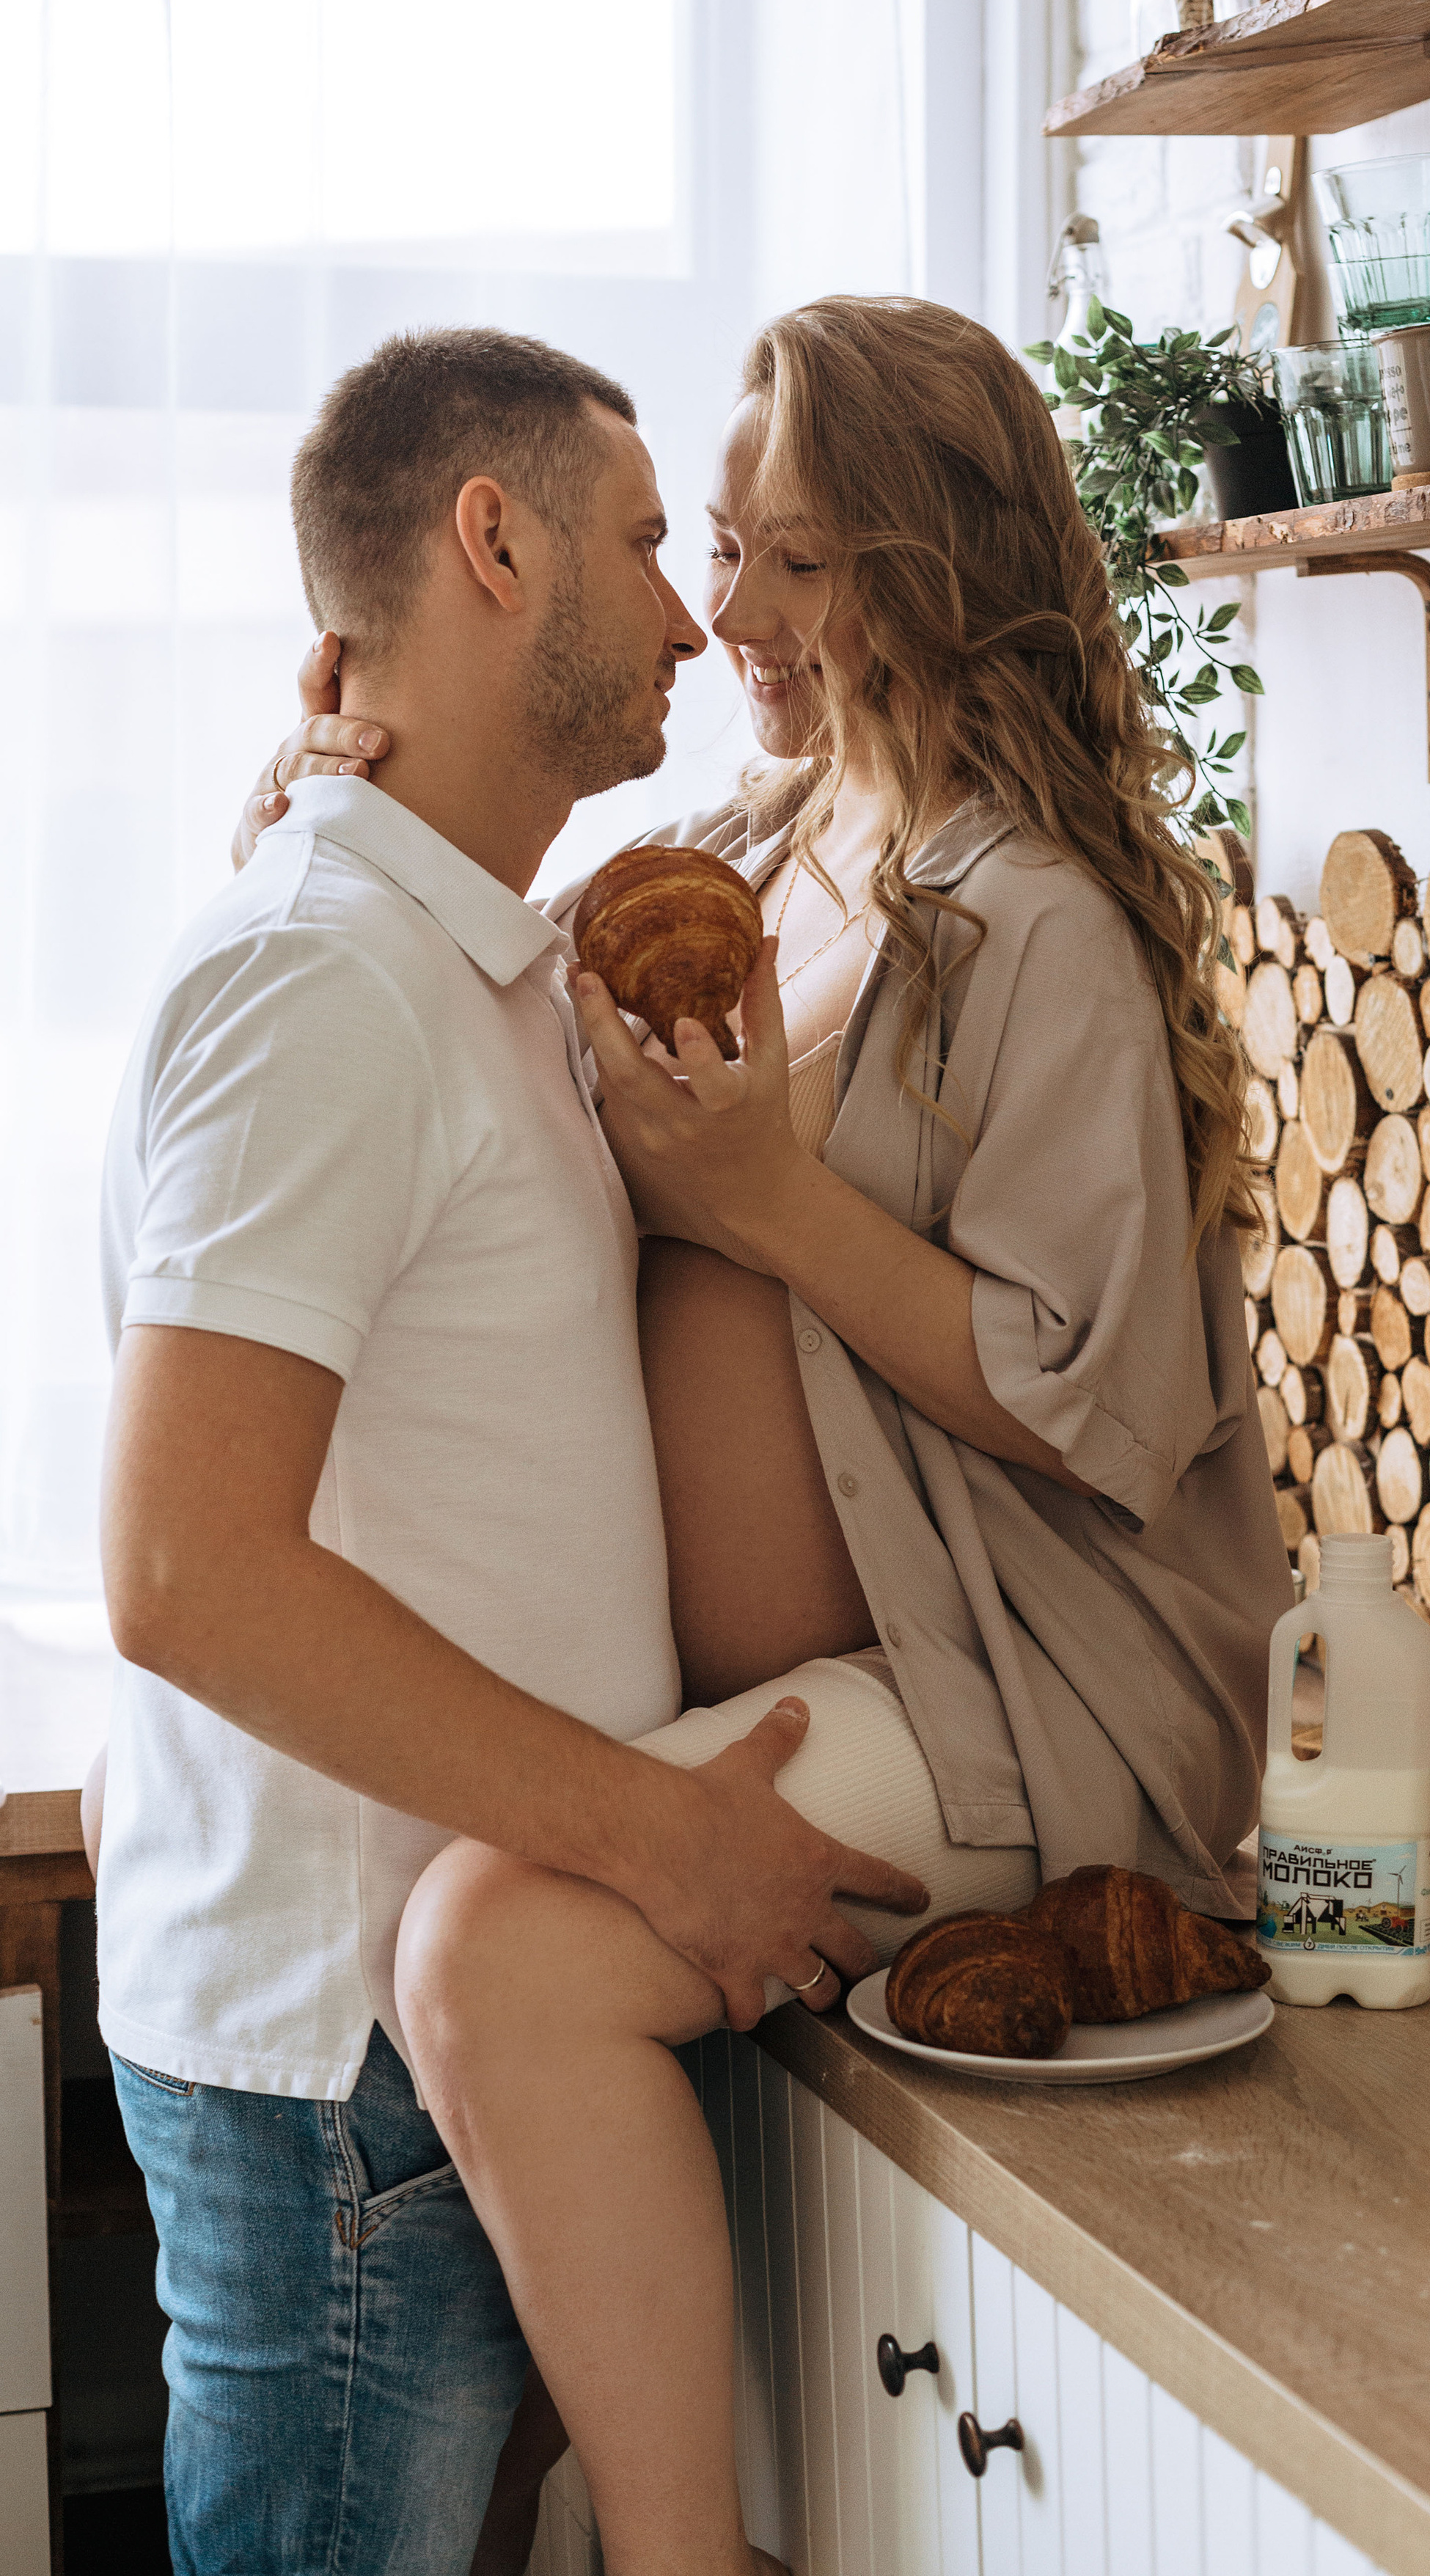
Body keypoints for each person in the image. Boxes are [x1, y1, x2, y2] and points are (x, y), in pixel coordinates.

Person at [232, 295, 1296, 2572]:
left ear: (924, 559)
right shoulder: (776, 835)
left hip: (1007, 1682)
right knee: (476, 1952)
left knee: (489, 1959)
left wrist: (771, 1208)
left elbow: (1086, 1398)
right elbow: (458, 979)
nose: (728, 618)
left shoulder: (1039, 920)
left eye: (788, 561)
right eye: (715, 552)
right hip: (813, 1684)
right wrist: (327, 775)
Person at [92, 328, 931, 2576]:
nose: (686, 612)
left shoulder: (449, 957)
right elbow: (184, 1569)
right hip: (343, 2068)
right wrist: (656, 1843)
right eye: (650, 542)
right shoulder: (329, 979)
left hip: (439, 2035)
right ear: (492, 543)